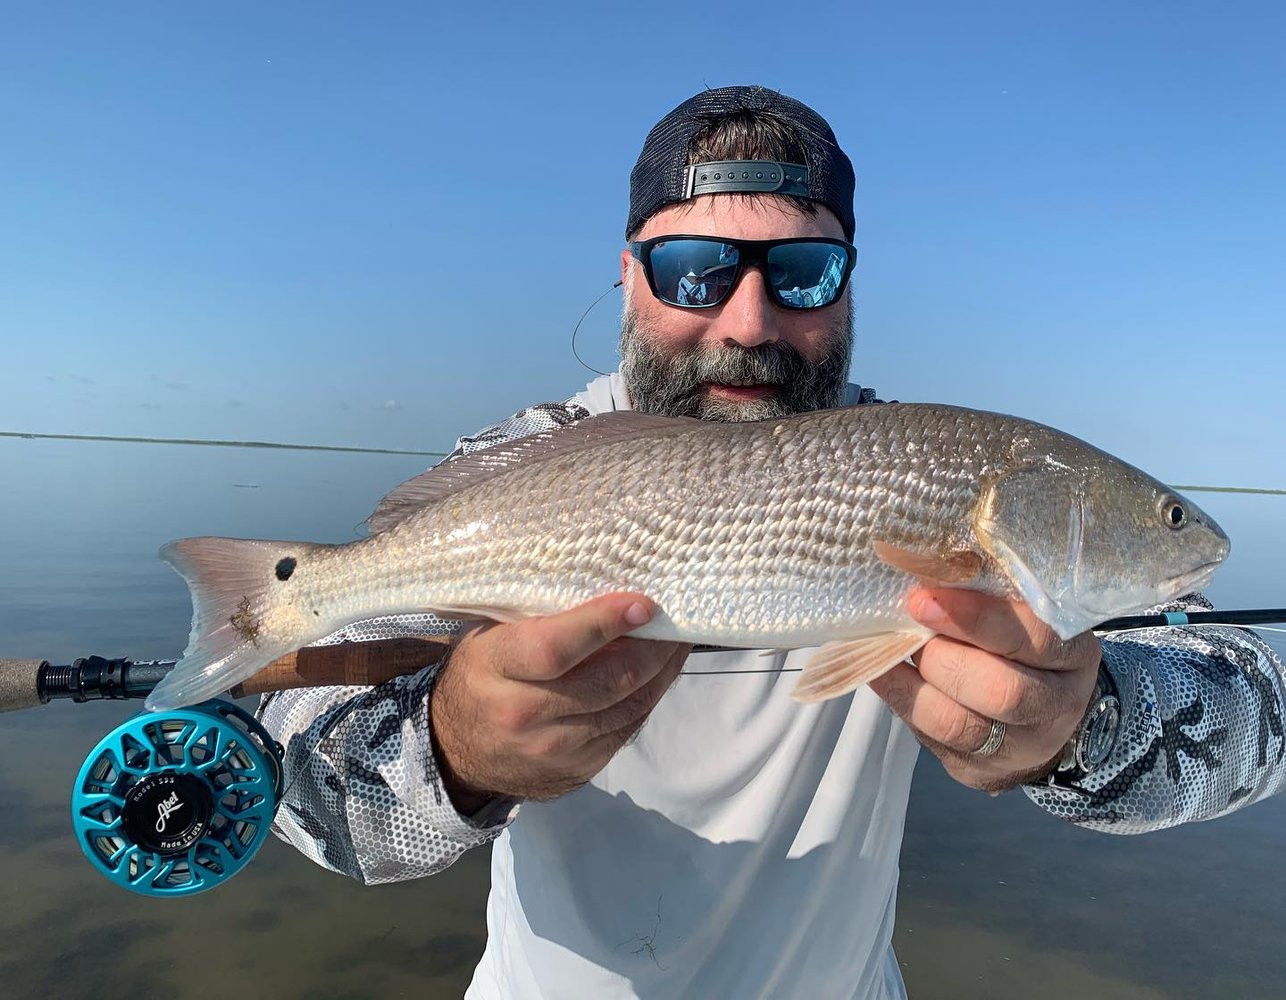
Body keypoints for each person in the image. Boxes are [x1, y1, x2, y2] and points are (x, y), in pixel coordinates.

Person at [258, 86, 1286, 999]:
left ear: (845, 284)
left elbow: (1259, 714)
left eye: (799, 272)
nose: (746, 321)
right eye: (693, 270)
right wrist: (454, 747)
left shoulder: (925, 458)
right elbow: (297, 783)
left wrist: (1086, 721)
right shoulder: (522, 462)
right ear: (627, 278)